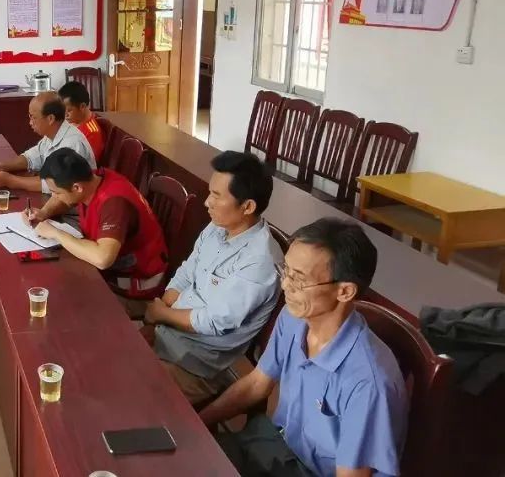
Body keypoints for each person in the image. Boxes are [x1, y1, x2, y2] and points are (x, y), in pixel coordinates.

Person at [201, 218, 408, 477]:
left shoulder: (367, 382)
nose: (285, 286)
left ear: (345, 291)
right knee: (188, 457)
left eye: (298, 279)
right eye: (285, 271)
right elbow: (256, 384)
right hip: (275, 446)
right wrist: (199, 423)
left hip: (312, 472)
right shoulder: (294, 318)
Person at [143, 150, 283, 405]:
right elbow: (187, 272)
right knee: (106, 358)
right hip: (167, 334)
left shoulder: (259, 261)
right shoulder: (217, 227)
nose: (207, 202)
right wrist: (162, 309)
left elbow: (213, 321)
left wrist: (161, 314)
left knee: (124, 393)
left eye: (217, 196)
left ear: (248, 206)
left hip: (194, 365)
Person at [31, 148, 168, 304]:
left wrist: (56, 233)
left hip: (135, 282)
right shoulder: (92, 179)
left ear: (77, 188)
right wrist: (43, 213)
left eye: (56, 192)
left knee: (63, 297)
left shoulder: (115, 204)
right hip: (109, 270)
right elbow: (65, 197)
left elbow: (103, 259)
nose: (54, 196)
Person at [0, 91, 96, 195]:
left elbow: (56, 185)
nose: (30, 123)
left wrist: (11, 181)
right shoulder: (52, 134)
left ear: (50, 119)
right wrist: (4, 166)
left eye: (33, 117)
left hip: (75, 203)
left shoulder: (72, 143)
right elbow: (32, 157)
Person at [58, 80, 105, 165]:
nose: (65, 115)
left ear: (82, 106)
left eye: (69, 110)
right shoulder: (72, 120)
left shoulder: (91, 133)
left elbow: (86, 165)